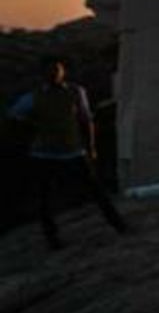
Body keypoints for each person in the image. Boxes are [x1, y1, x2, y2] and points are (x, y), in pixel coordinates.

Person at [7, 57, 129, 247]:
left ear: (63, 71)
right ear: (43, 74)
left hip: (73, 151)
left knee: (97, 191)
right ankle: (52, 240)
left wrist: (92, 147)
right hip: (44, 154)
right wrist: (34, 127)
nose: (54, 74)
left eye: (57, 69)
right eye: (50, 70)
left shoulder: (75, 92)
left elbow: (87, 120)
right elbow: (14, 114)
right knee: (45, 200)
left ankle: (120, 226)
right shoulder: (33, 97)